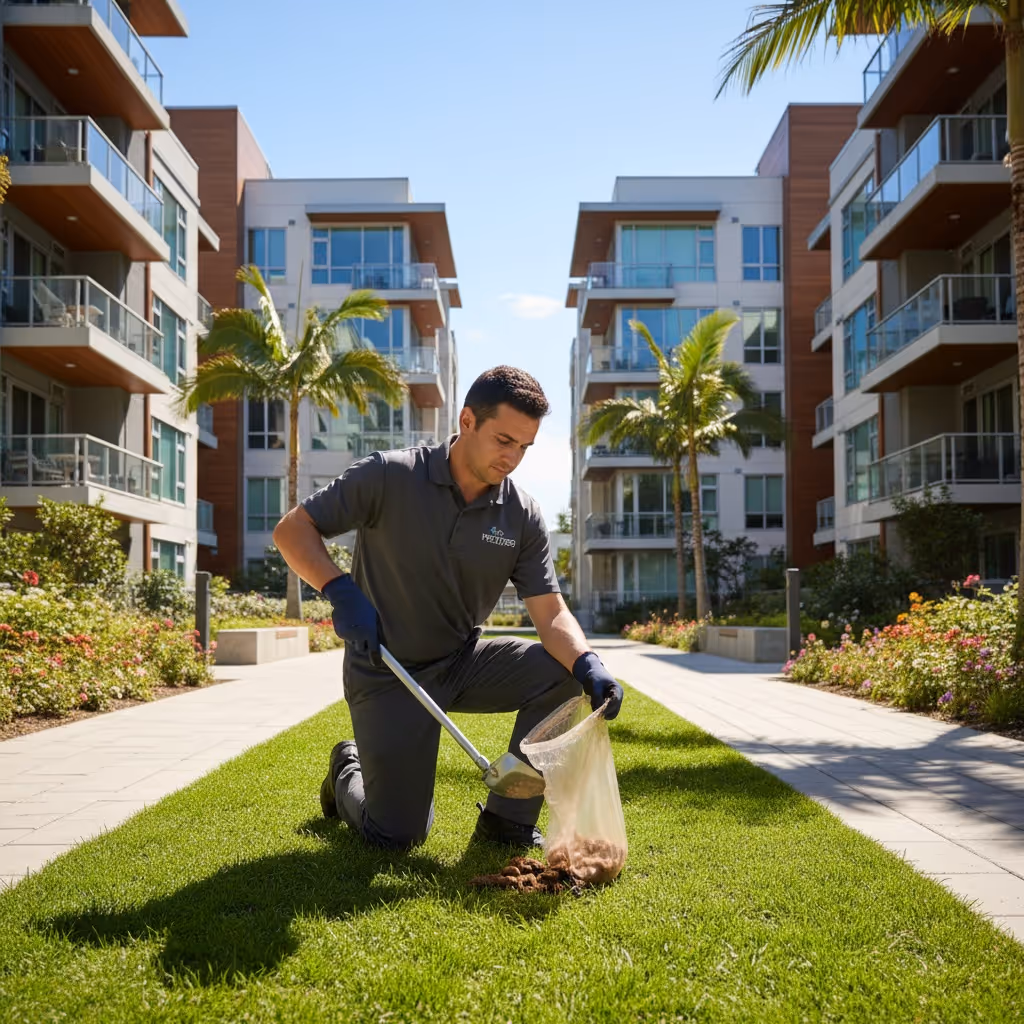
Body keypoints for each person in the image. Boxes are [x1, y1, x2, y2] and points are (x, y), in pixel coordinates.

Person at [272, 366, 624, 851]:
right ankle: (345, 770)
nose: (512, 457)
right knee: (397, 836)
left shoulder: (521, 515)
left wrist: (589, 663)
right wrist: (340, 590)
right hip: (386, 671)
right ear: (466, 421)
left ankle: (508, 823)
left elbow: (551, 612)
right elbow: (293, 530)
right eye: (504, 440)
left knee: (563, 672)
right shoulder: (390, 475)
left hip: (461, 661)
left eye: (524, 447)